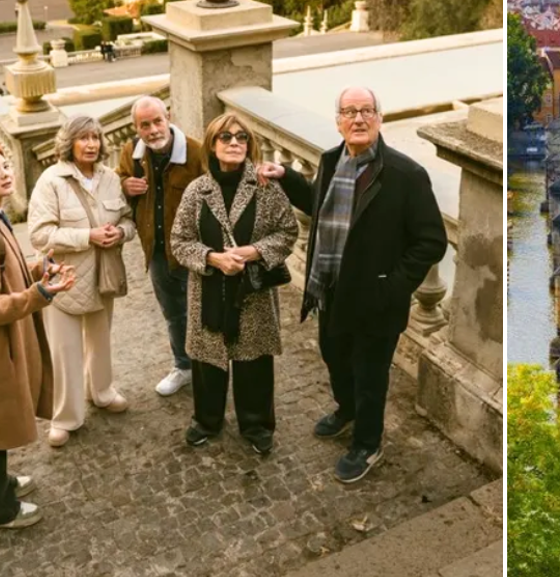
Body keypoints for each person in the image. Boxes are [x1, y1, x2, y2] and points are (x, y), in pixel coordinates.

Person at [261, 87, 448, 483]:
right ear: (338, 121)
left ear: (379, 119)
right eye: (349, 112)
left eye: (366, 111)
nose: (358, 119)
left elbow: (431, 240)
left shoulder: (405, 175)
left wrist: (393, 286)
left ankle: (368, 442)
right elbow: (320, 204)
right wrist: (286, 177)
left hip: (377, 300)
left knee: (370, 374)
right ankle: (346, 411)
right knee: (334, 357)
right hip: (330, 289)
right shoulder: (331, 161)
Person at [0, 144, 76, 528]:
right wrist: (42, 295)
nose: (5, 173)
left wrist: (39, 269)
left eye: (6, 166)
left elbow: (8, 271)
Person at [171, 114, 298, 456]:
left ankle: (256, 424)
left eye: (241, 137)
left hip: (252, 293)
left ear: (249, 144)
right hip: (208, 291)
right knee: (207, 360)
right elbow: (179, 241)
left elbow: (288, 232)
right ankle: (207, 421)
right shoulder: (198, 191)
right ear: (212, 145)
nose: (234, 142)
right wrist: (213, 258)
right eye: (225, 136)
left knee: (253, 359)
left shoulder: (265, 187)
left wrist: (254, 251)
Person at [29, 116, 136, 447]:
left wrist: (120, 232)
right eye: (83, 138)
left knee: (101, 341)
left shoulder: (110, 179)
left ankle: (102, 392)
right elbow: (39, 234)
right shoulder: (51, 181)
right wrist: (87, 236)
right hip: (64, 279)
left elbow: (129, 221)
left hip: (103, 274)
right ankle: (65, 417)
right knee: (65, 351)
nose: (91, 144)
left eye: (95, 137)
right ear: (69, 142)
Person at [117, 96, 206, 396]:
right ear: (136, 127)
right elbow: (116, 184)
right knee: (173, 313)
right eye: (145, 125)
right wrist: (124, 186)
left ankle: (210, 366)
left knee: (204, 310)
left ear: (168, 116)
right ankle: (183, 366)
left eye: (157, 121)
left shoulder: (195, 151)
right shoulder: (131, 152)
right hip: (156, 250)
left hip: (194, 249)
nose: (153, 130)